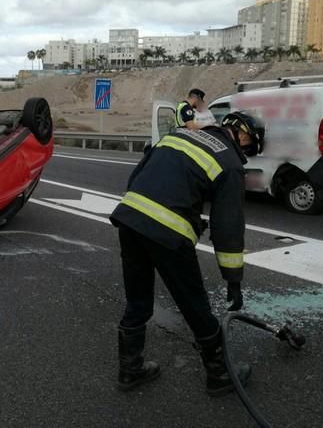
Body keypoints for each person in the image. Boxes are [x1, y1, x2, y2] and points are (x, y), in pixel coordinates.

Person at [110, 111, 264, 396]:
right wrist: (233, 279)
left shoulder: (180, 134)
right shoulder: (229, 163)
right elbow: (228, 226)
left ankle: (130, 370)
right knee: (195, 305)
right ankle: (219, 374)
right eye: (248, 147)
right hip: (168, 234)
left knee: (138, 299)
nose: (245, 153)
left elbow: (139, 175)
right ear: (242, 135)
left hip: (130, 219)